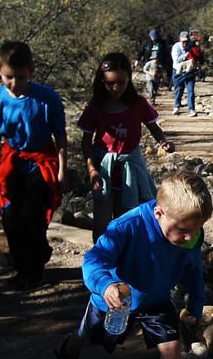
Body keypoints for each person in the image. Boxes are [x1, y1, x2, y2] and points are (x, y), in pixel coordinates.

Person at [52, 171, 213, 359]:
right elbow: (94, 259)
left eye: (196, 230)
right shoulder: (129, 226)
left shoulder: (191, 235)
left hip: (157, 298)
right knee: (87, 337)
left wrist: (196, 303)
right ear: (159, 214)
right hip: (117, 298)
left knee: (172, 349)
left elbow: (192, 269)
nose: (190, 238)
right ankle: (68, 351)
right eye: (184, 231)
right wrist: (105, 285)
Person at [0, 40, 68, 289]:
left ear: (30, 71)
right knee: (10, 217)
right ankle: (23, 268)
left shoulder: (47, 98)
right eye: (9, 77)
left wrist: (62, 169)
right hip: (12, 162)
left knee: (33, 215)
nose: (15, 83)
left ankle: (34, 269)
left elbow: (60, 136)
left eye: (21, 77)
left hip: (42, 162)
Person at [78, 52, 175, 241]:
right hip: (104, 169)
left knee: (128, 218)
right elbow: (86, 141)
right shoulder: (95, 107)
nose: (115, 88)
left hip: (131, 166)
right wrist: (91, 170)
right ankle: (102, 261)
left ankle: (127, 263)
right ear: (101, 82)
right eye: (110, 83)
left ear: (129, 79)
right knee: (102, 223)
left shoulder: (138, 104)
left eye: (121, 83)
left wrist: (163, 141)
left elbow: (153, 127)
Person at [134, 28, 169, 102]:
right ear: (150, 36)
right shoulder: (146, 43)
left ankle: (154, 92)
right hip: (148, 62)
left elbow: (165, 53)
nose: (154, 38)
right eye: (153, 37)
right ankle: (151, 96)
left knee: (156, 81)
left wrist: (166, 64)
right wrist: (137, 60)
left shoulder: (162, 42)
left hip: (158, 63)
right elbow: (141, 51)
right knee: (149, 80)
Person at [171, 30, 196, 116]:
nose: (185, 43)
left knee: (191, 90)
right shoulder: (176, 47)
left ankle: (191, 109)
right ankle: (177, 106)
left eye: (186, 41)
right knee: (178, 90)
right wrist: (187, 54)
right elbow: (176, 60)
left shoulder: (191, 46)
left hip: (189, 71)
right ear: (180, 40)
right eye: (183, 41)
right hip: (178, 71)